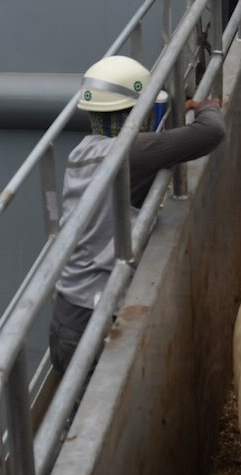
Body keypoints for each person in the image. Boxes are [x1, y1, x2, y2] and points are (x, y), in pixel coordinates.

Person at [48, 54, 226, 372]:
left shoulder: (82, 152)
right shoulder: (131, 154)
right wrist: (207, 107)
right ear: (136, 111)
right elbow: (212, 131)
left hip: (65, 316)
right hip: (94, 322)